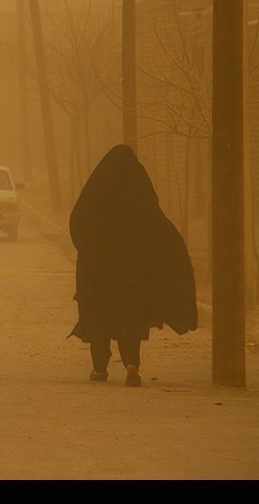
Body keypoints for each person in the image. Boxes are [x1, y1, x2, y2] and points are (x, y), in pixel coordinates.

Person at [67, 144, 198, 387]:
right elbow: (157, 226)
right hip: (132, 272)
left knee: (100, 319)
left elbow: (78, 222)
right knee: (131, 320)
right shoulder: (139, 193)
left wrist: (93, 253)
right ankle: (131, 364)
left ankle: (99, 368)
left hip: (98, 272)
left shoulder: (96, 191)